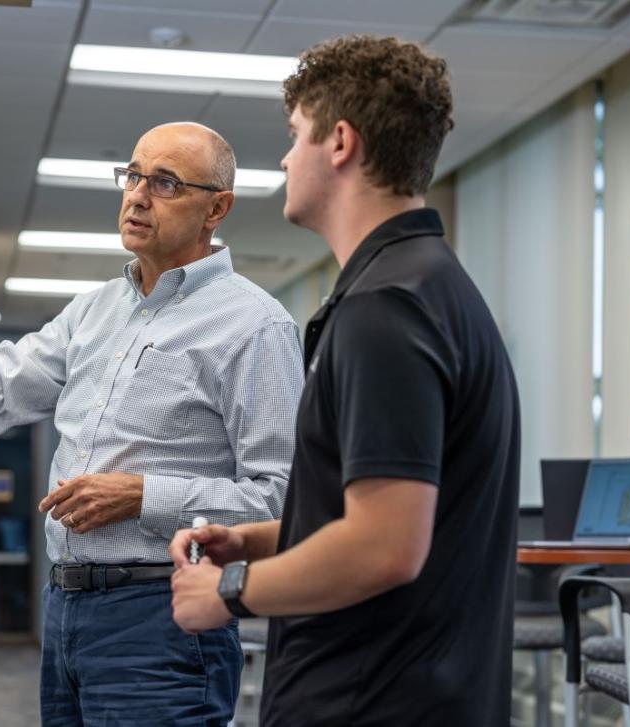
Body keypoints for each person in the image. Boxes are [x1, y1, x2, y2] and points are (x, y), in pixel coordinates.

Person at [0, 121, 303, 726]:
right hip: (65, 611)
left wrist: (145, 497)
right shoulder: (91, 313)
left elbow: (283, 499)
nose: (138, 196)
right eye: (134, 175)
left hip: (164, 618)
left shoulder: (254, 327)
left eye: (165, 183)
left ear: (216, 208)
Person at [170, 36, 521, 726]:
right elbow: (386, 513)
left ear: (339, 142)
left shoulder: (385, 309)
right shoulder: (433, 285)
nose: (284, 157)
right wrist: (260, 538)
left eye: (295, 135)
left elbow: (385, 544)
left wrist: (231, 590)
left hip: (371, 699)